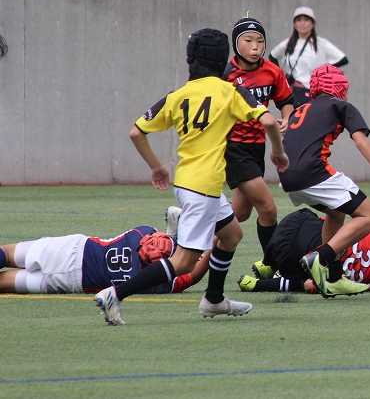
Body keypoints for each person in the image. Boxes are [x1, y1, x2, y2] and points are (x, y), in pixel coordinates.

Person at [93, 29, 289, 326]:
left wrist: (156, 167)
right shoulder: (231, 91)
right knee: (184, 262)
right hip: (203, 189)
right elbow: (269, 122)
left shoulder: (178, 95)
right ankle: (115, 294)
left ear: (191, 60)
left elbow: (136, 132)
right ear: (223, 59)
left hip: (187, 182)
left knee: (232, 234)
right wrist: (278, 153)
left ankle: (214, 300)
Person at [279, 64, 370, 298]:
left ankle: (333, 278)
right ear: (339, 87)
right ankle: (321, 257)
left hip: (287, 178)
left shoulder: (301, 109)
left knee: (335, 212)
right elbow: (361, 141)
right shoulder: (341, 106)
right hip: (313, 172)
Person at [223, 17, 294, 276]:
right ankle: (273, 266)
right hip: (233, 149)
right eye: (248, 40)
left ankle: (186, 231)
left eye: (260, 41)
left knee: (239, 214)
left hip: (257, 148)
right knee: (268, 209)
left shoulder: (272, 71)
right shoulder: (225, 75)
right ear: (236, 44)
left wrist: (286, 118)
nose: (255, 46)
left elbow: (286, 100)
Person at [236, 208, 370, 294]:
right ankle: (258, 283)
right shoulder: (355, 282)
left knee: (319, 223)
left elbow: (330, 225)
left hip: (291, 224)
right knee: (306, 282)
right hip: (288, 262)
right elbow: (310, 286)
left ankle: (267, 263)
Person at [0, 223, 205, 295]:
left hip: (74, 248)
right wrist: (215, 246)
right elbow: (192, 274)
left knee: (6, 254)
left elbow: (166, 240)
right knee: (6, 282)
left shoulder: (141, 232)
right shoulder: (158, 283)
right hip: (73, 281)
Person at [269, 6, 348, 105]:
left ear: (313, 23)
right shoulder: (288, 43)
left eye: (306, 20)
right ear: (294, 24)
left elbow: (342, 59)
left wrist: (322, 73)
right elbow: (272, 56)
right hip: (294, 91)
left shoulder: (320, 43)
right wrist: (283, 79)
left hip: (315, 92)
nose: (302, 23)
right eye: (298, 20)